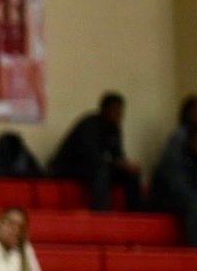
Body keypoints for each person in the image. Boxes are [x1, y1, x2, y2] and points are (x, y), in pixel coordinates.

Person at [50, 92, 142, 211]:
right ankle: (100, 213)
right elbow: (91, 156)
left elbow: (117, 155)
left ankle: (136, 213)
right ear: (104, 110)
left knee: (131, 173)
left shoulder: (114, 129)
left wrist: (126, 165)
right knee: (101, 170)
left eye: (120, 111)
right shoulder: (89, 125)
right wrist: (117, 164)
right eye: (115, 111)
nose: (119, 115)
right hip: (70, 166)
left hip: (94, 167)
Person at [148, 96, 197, 246]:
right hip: (166, 196)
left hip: (185, 192)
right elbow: (176, 182)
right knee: (194, 204)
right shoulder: (178, 140)